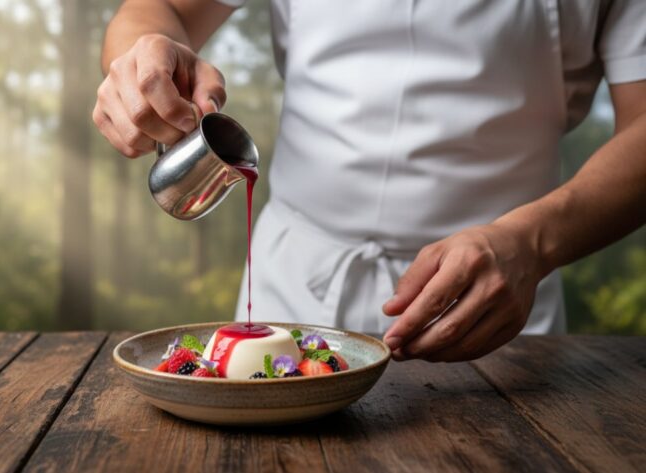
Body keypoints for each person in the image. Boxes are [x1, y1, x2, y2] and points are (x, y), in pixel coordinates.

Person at [93, 0, 646, 362]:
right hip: (295, 283)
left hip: (494, 306)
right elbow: (157, 10)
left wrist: (532, 241)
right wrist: (141, 60)